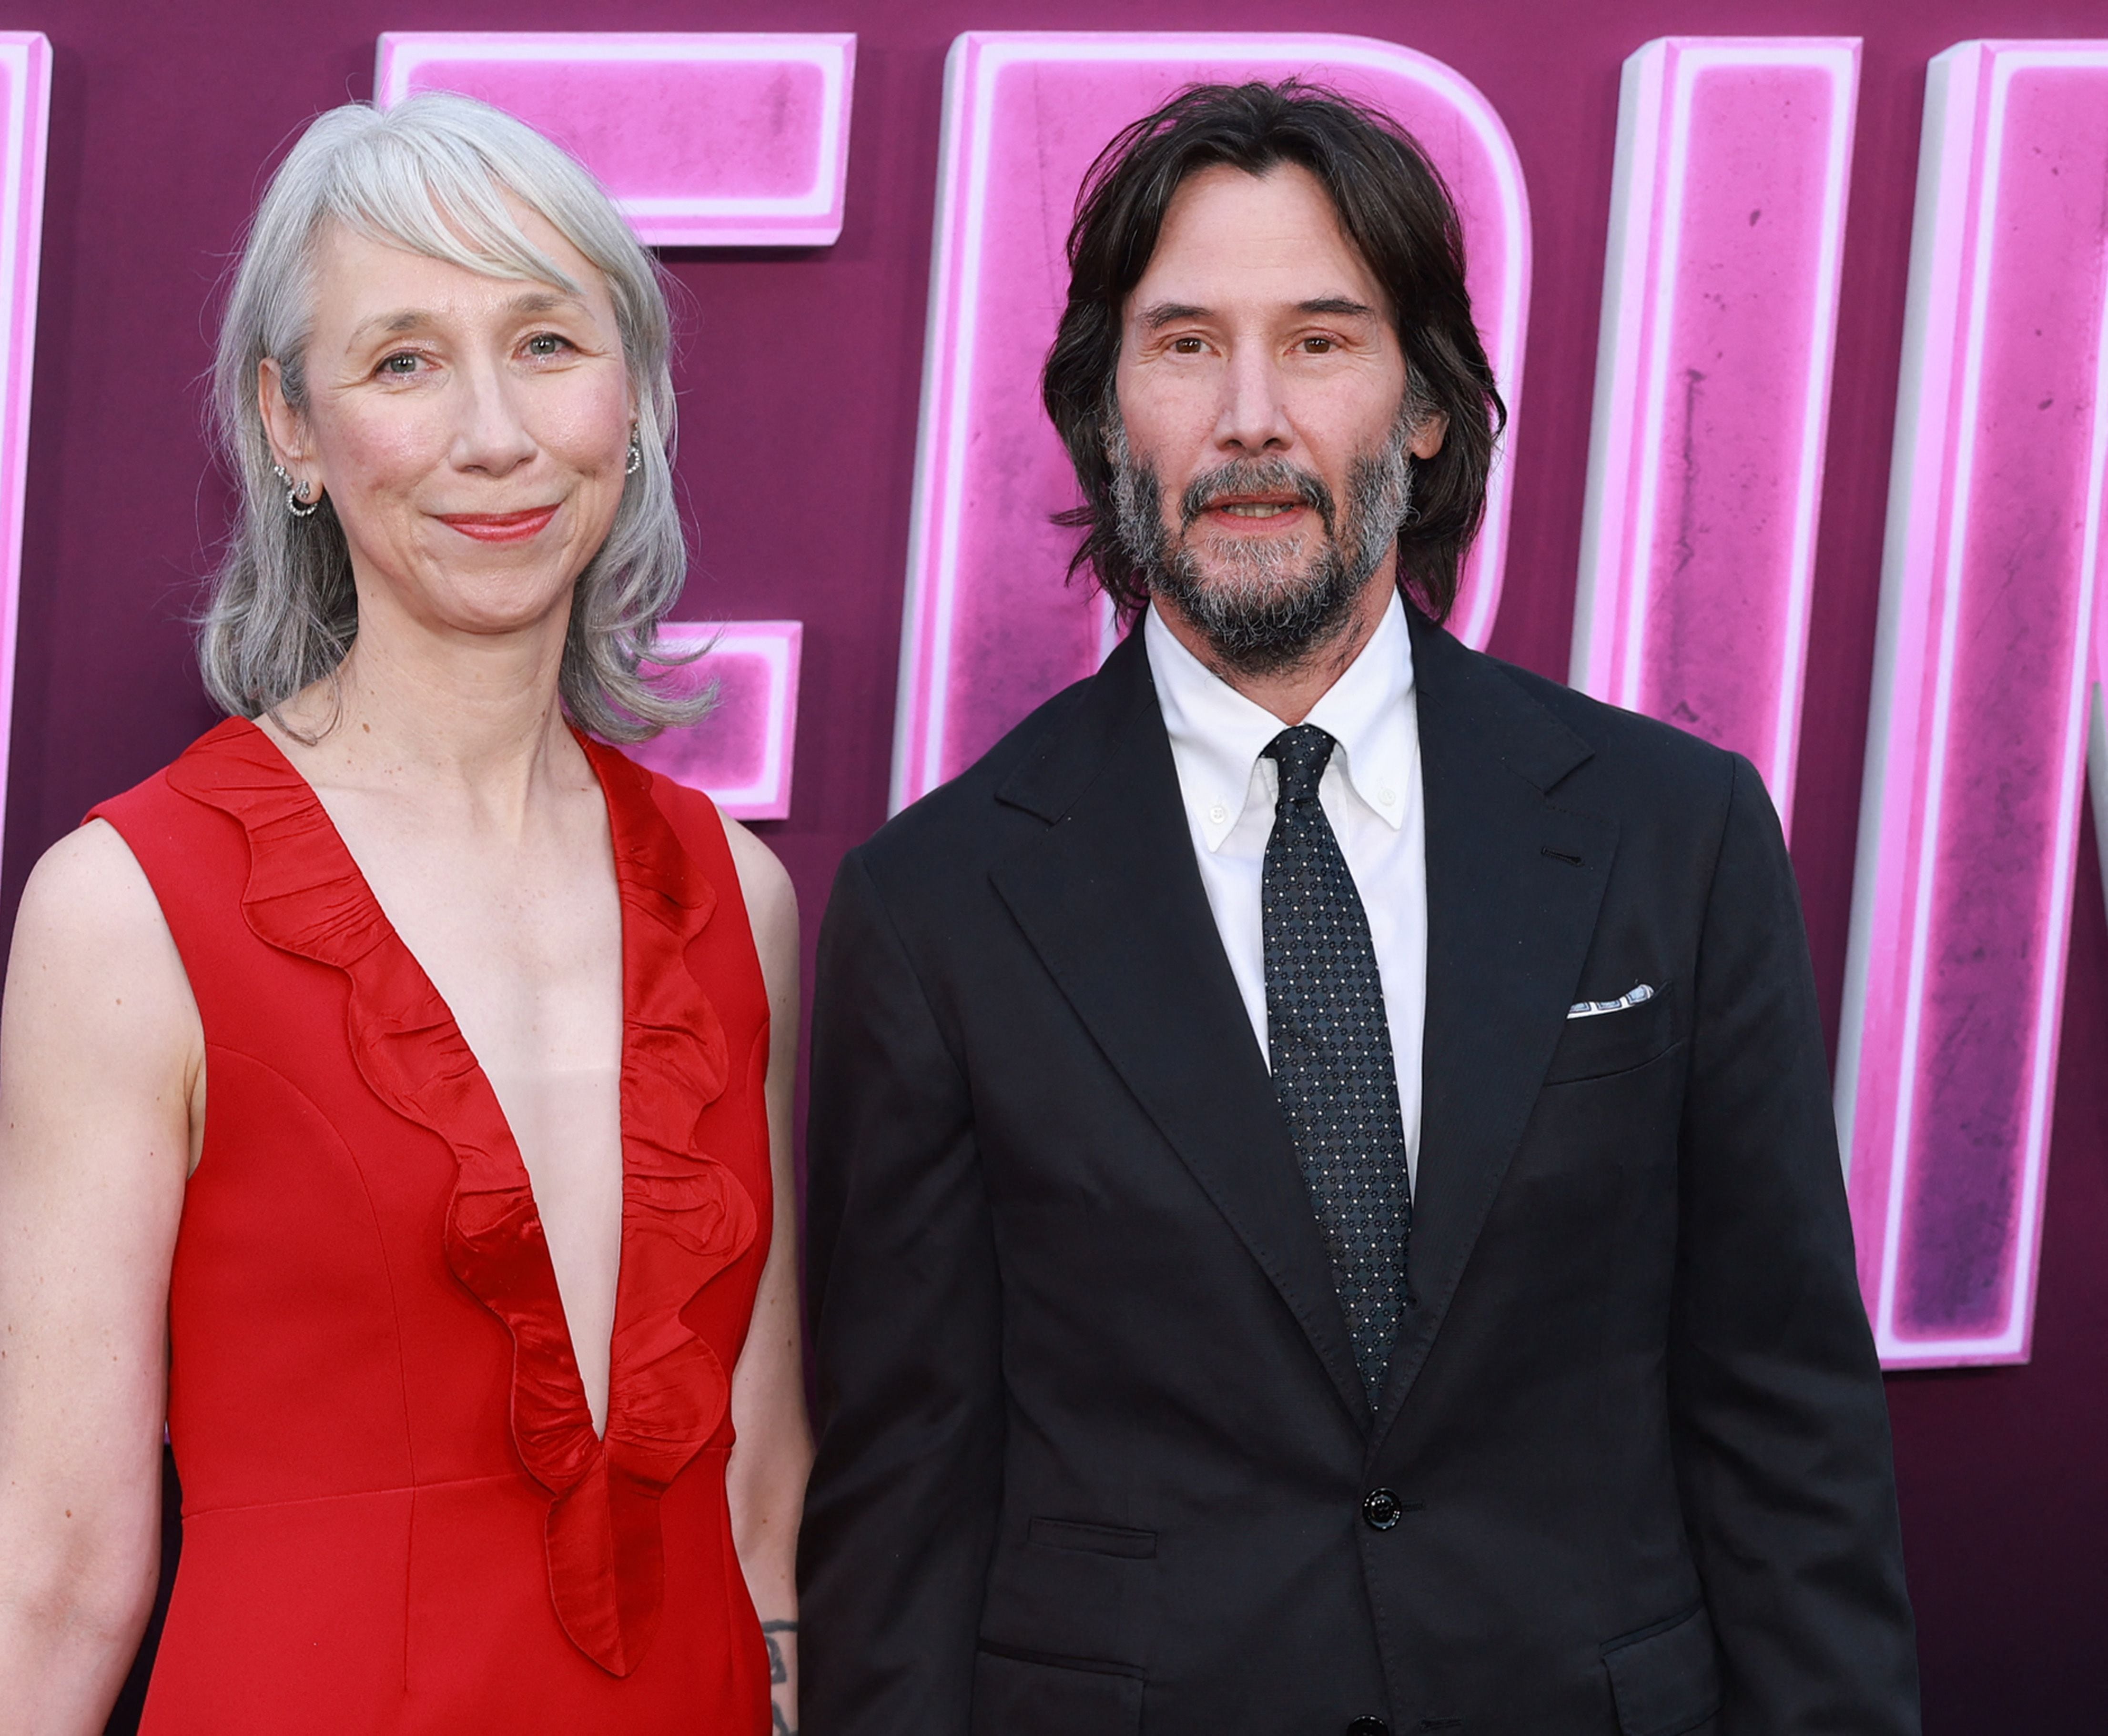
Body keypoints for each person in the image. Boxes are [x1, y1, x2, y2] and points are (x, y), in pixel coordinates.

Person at [800, 81, 1917, 1736]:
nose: (1251, 417)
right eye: (1186, 345)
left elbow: (1787, 1422)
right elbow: (905, 1510)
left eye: (1320, 341)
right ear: (1108, 413)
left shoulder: (1673, 837)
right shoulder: (935, 906)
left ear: (1429, 407)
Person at [0, 93, 809, 1734]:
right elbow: (56, 1574)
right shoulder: (129, 912)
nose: (496, 434)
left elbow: (761, 1493)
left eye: (546, 344)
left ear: (632, 395)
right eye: (405, 361)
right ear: (292, 427)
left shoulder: (734, 898)